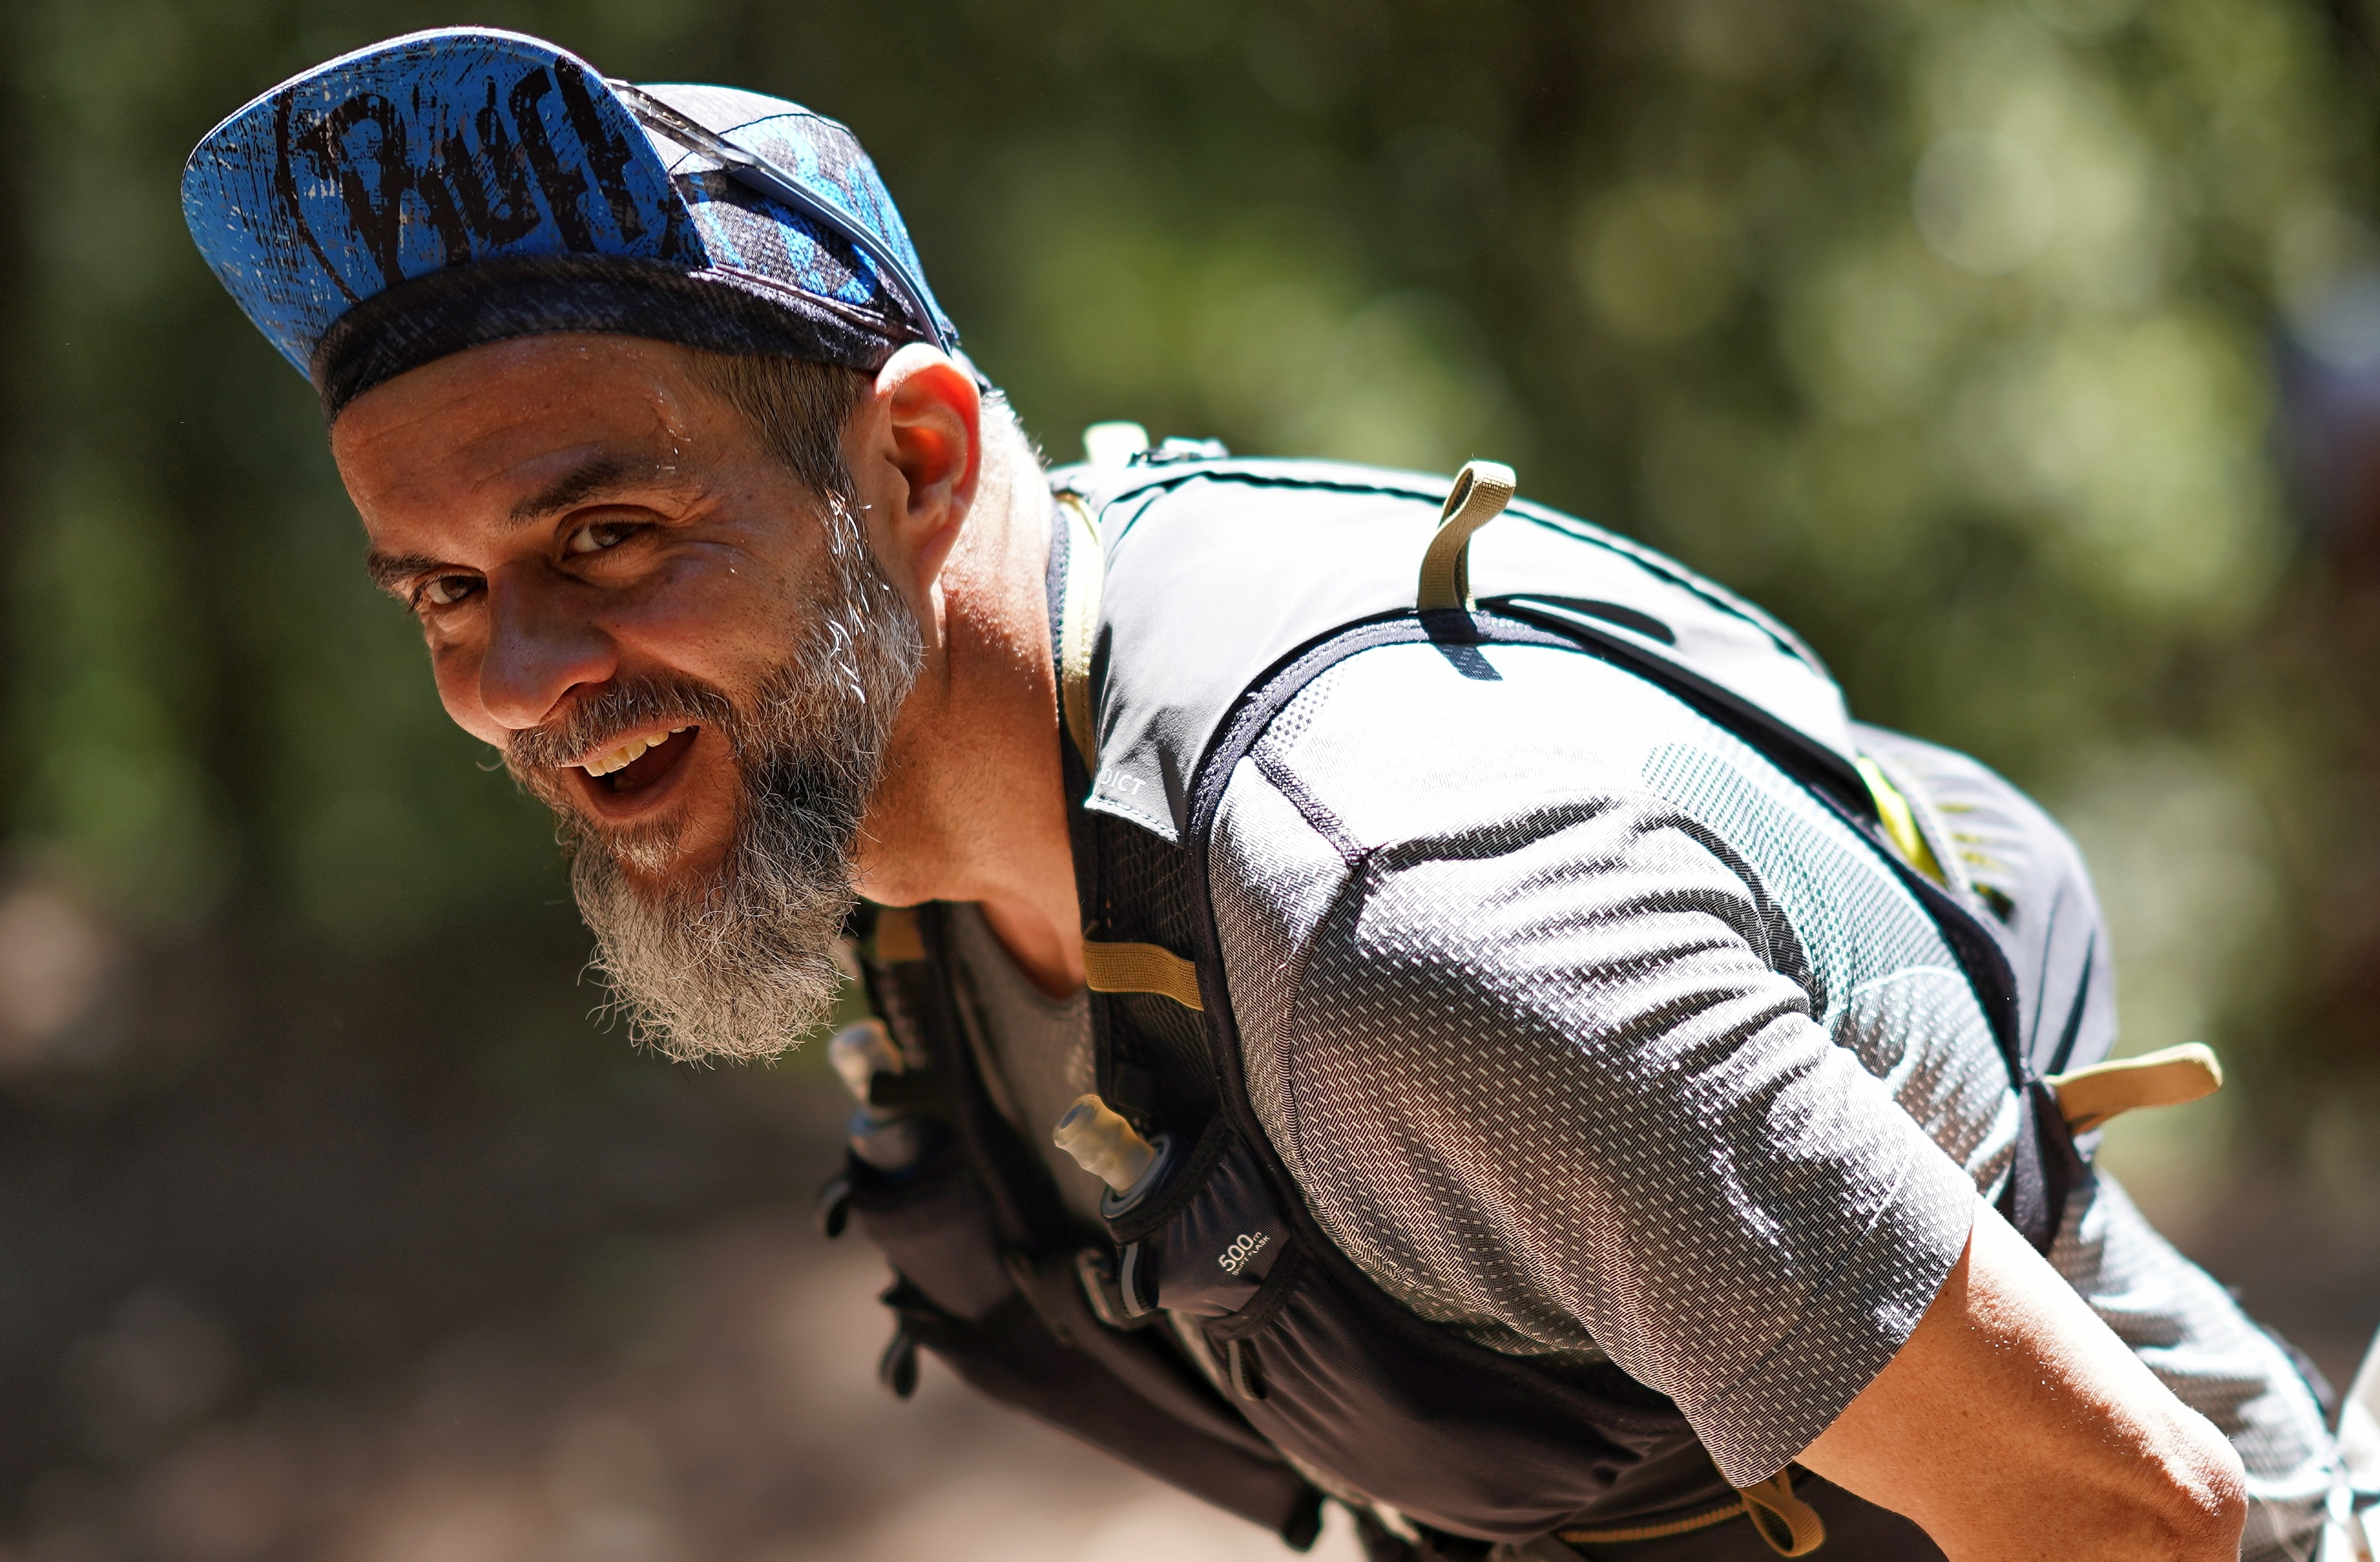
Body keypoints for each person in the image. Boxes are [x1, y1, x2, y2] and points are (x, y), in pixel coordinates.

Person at [180, 28, 2340, 1560]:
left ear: (914, 467)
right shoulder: (904, 804)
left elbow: (2121, 1520)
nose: (519, 683)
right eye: (442, 591)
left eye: (606, 538)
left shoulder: (1403, 930)